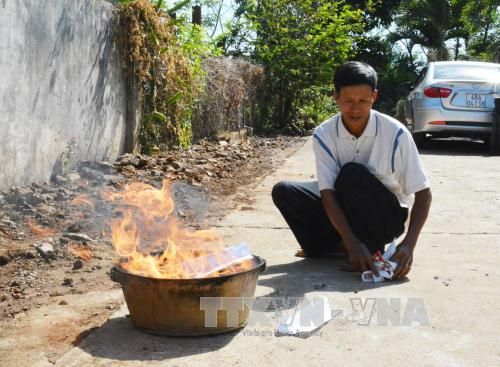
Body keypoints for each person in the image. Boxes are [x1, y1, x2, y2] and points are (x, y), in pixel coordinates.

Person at [272, 61, 432, 280]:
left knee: (351, 174)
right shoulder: (324, 134)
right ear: (335, 97)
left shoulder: (396, 134)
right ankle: (336, 247)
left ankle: (370, 247)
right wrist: (351, 242)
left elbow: (423, 194)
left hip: (386, 216)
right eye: (348, 101)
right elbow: (327, 193)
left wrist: (408, 245)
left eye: (363, 101)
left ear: (374, 97)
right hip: (347, 207)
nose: (355, 108)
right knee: (285, 191)